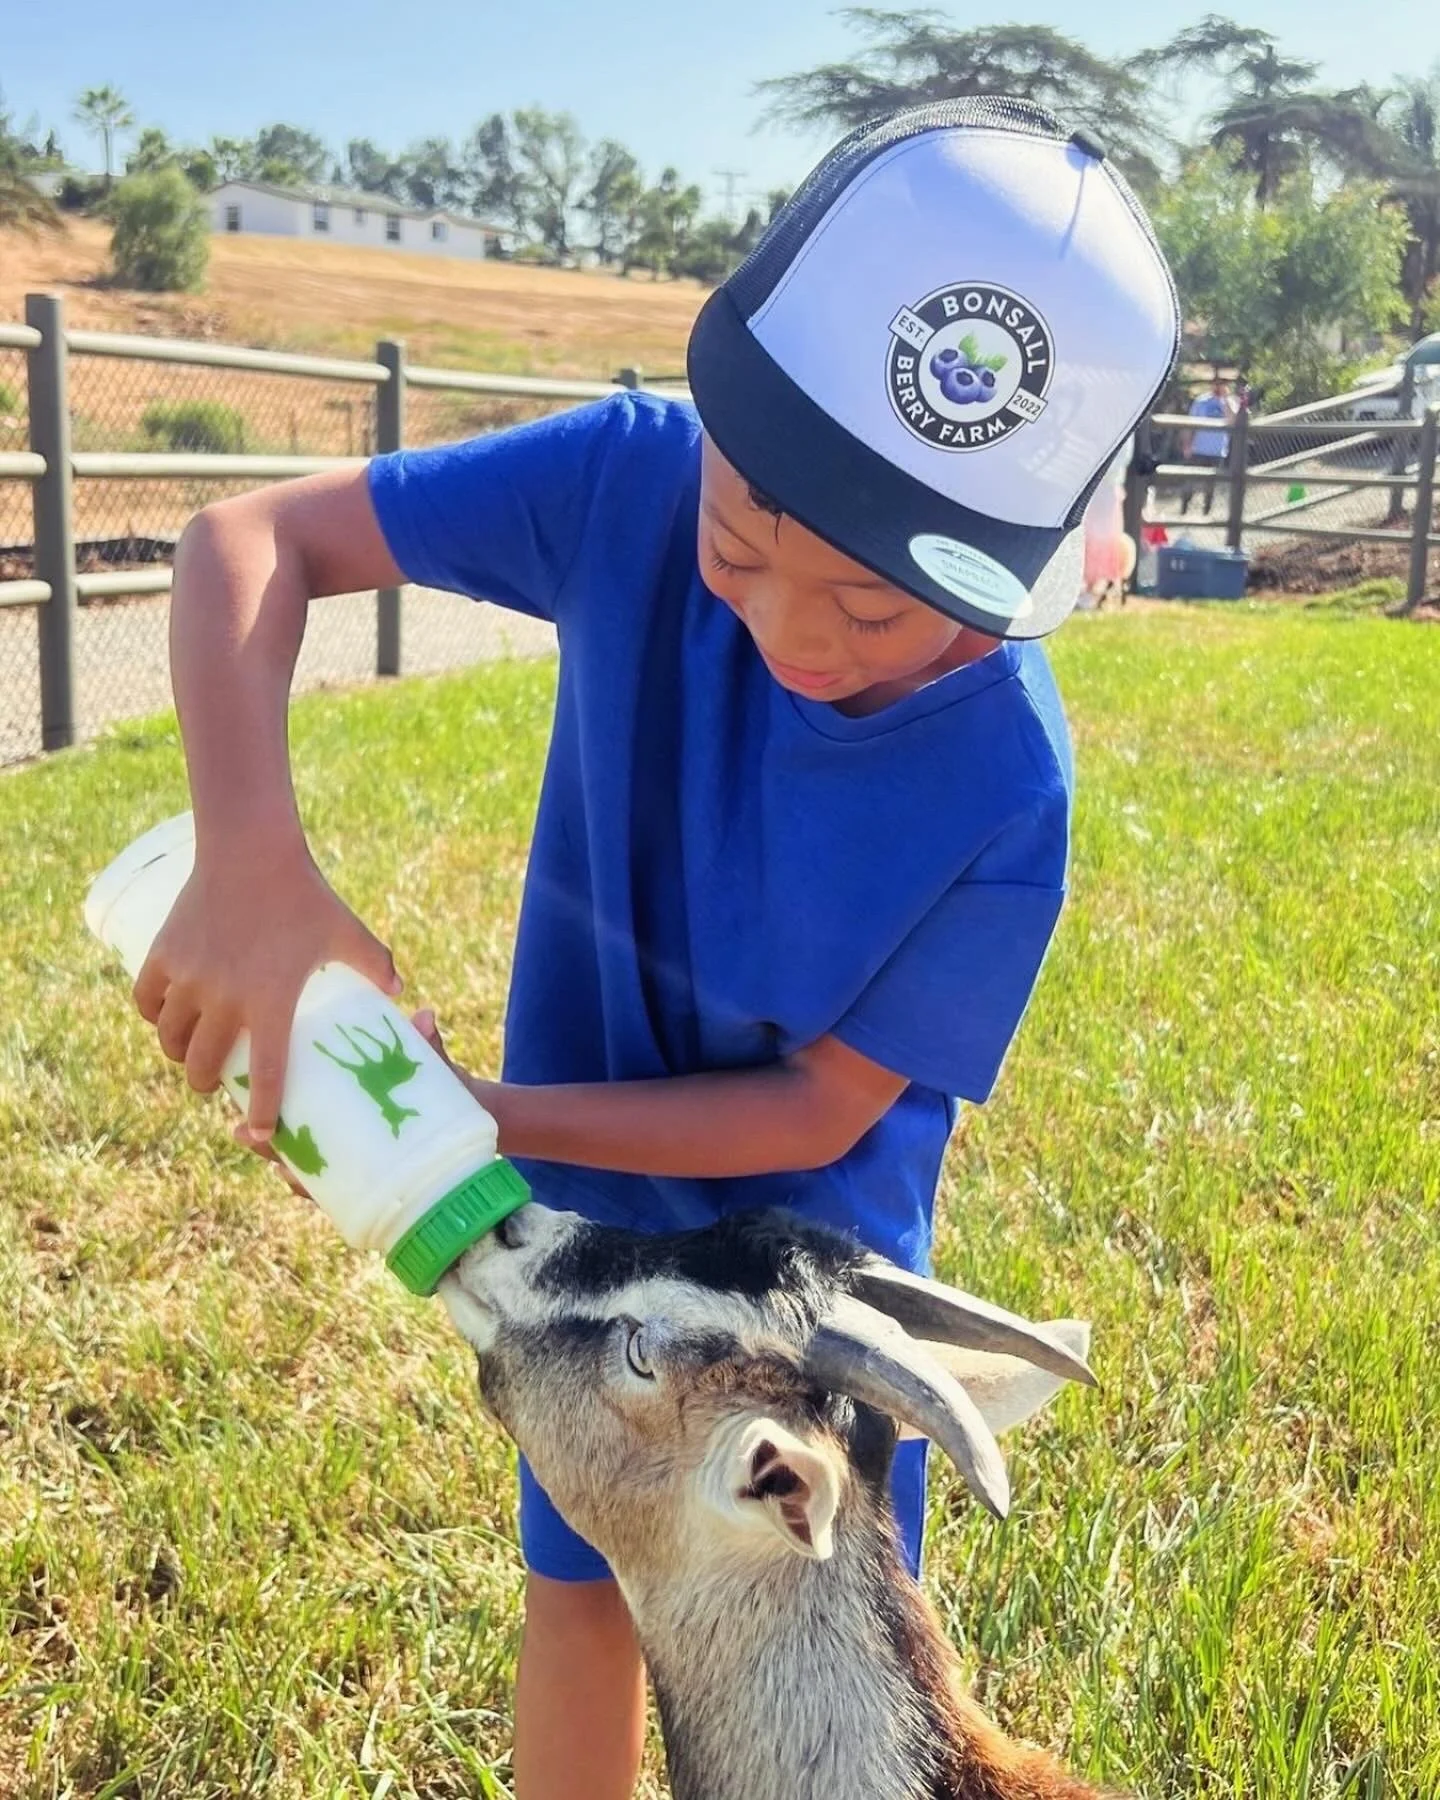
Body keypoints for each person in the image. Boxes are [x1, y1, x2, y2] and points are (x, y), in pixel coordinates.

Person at [133, 100, 1179, 1800]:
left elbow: (809, 1115)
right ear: (711, 434)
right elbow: (249, 541)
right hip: (589, 1246)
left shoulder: (1006, 785)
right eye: (746, 551)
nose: (786, 629)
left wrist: (492, 1119)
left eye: (882, 610)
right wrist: (254, 858)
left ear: (1019, 580)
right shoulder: (629, 480)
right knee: (582, 1598)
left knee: (797, 1655)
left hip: (803, 1301)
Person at [1179, 373, 1238, 516]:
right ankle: (1184, 509)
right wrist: (1187, 444)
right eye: (1216, 383)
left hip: (1216, 451)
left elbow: (1234, 421)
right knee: (1190, 480)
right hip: (1198, 448)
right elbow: (1190, 424)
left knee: (1210, 483)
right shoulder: (1201, 401)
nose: (1218, 387)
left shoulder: (1230, 403)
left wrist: (1226, 401)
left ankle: (1206, 511)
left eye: (1222, 384)